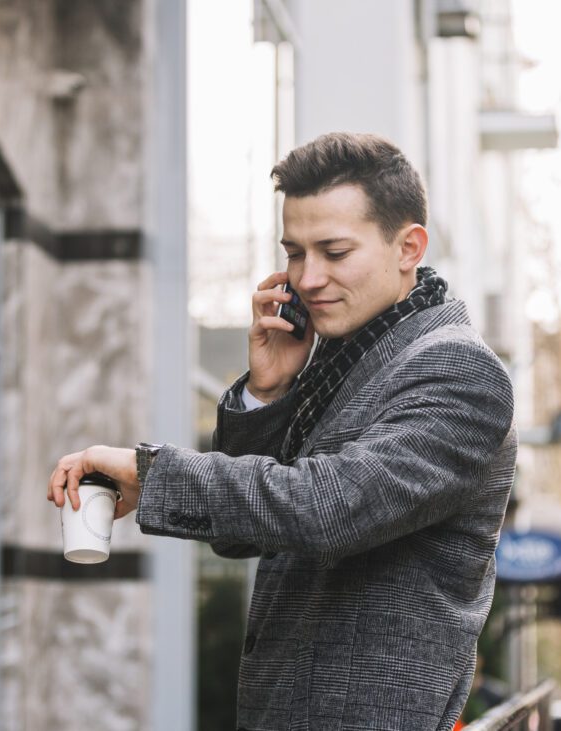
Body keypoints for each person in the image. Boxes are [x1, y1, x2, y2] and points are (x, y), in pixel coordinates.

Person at [48, 132, 516, 731]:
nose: (308, 278)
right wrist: (266, 390)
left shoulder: (458, 370)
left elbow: (326, 507)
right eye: (295, 253)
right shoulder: (342, 355)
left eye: (334, 251)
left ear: (409, 247)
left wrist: (151, 470)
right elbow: (248, 538)